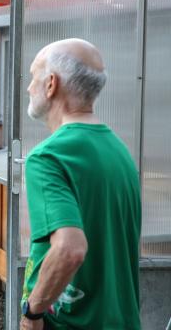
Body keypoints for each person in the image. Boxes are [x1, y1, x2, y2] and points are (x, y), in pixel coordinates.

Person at [20, 39, 141, 329]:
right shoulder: (119, 151)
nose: (28, 88)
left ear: (51, 84)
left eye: (33, 76)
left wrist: (33, 313)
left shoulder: (48, 157)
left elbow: (70, 249)